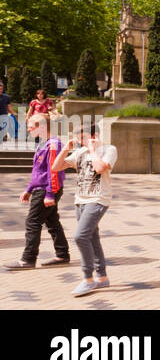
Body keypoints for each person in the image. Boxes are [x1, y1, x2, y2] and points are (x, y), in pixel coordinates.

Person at [52, 125, 117, 297]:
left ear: (95, 135)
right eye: (79, 138)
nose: (81, 141)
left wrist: (92, 150)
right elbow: (56, 167)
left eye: (84, 137)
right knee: (92, 238)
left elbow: (100, 168)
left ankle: (88, 279)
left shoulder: (109, 149)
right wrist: (66, 148)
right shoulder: (80, 152)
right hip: (80, 201)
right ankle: (102, 278)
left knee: (80, 237)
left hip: (98, 200)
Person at [6, 112, 70, 270]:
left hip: (47, 189)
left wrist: (49, 193)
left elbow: (53, 171)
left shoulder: (53, 144)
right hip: (42, 188)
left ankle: (28, 259)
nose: (28, 130)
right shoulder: (44, 143)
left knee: (33, 222)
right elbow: (38, 171)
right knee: (52, 221)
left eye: (30, 127)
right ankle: (62, 254)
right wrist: (29, 189)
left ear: (41, 127)